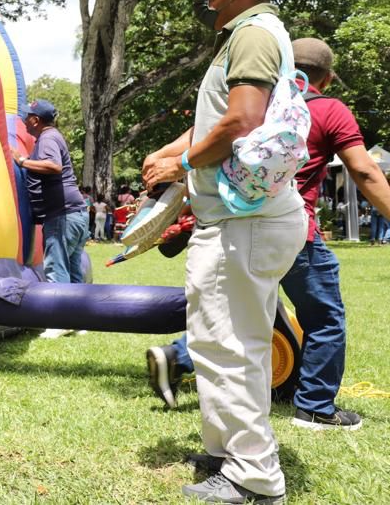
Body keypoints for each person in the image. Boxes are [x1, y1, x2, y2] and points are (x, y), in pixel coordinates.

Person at [147, 37, 390, 441]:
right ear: (327, 79)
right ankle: (314, 408)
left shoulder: (251, 102)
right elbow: (364, 172)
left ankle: (178, 355)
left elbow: (196, 140)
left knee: (243, 315)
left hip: (239, 225)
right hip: (295, 231)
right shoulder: (330, 109)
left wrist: (164, 161)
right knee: (324, 318)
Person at [141, 0, 307, 504]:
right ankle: (223, 450)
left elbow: (242, 120)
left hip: (246, 222)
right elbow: (221, 116)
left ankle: (253, 478)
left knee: (231, 346)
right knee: (222, 342)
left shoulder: (253, 34)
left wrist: (183, 163)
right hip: (243, 219)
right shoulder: (245, 35)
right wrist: (171, 150)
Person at [12, 99, 88, 284]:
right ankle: (79, 313)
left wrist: (22, 161)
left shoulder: (48, 138)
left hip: (63, 216)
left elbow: (54, 165)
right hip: (76, 213)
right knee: (74, 274)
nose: (24, 120)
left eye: (27, 116)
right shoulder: (53, 136)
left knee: (57, 272)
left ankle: (61, 313)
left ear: (36, 120)